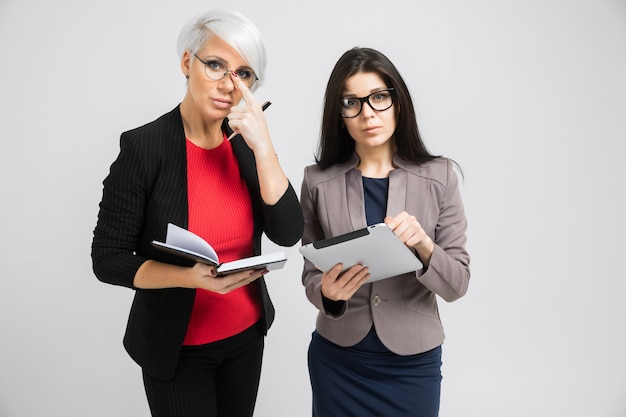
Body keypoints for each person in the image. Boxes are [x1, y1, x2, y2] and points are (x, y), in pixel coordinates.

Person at [91, 10, 303, 417]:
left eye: (243, 74)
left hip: (246, 338)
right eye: (216, 65)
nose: (228, 84)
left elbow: (289, 231)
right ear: (187, 63)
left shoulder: (244, 145)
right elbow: (107, 260)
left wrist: (264, 147)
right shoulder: (144, 147)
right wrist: (190, 279)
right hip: (178, 350)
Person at [300, 47, 470, 417]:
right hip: (338, 359)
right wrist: (327, 294)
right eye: (352, 102)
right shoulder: (316, 181)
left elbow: (457, 284)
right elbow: (311, 273)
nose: (368, 114)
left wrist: (424, 245)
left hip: (412, 365)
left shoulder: (440, 175)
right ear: (339, 113)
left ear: (397, 102)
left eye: (378, 97)